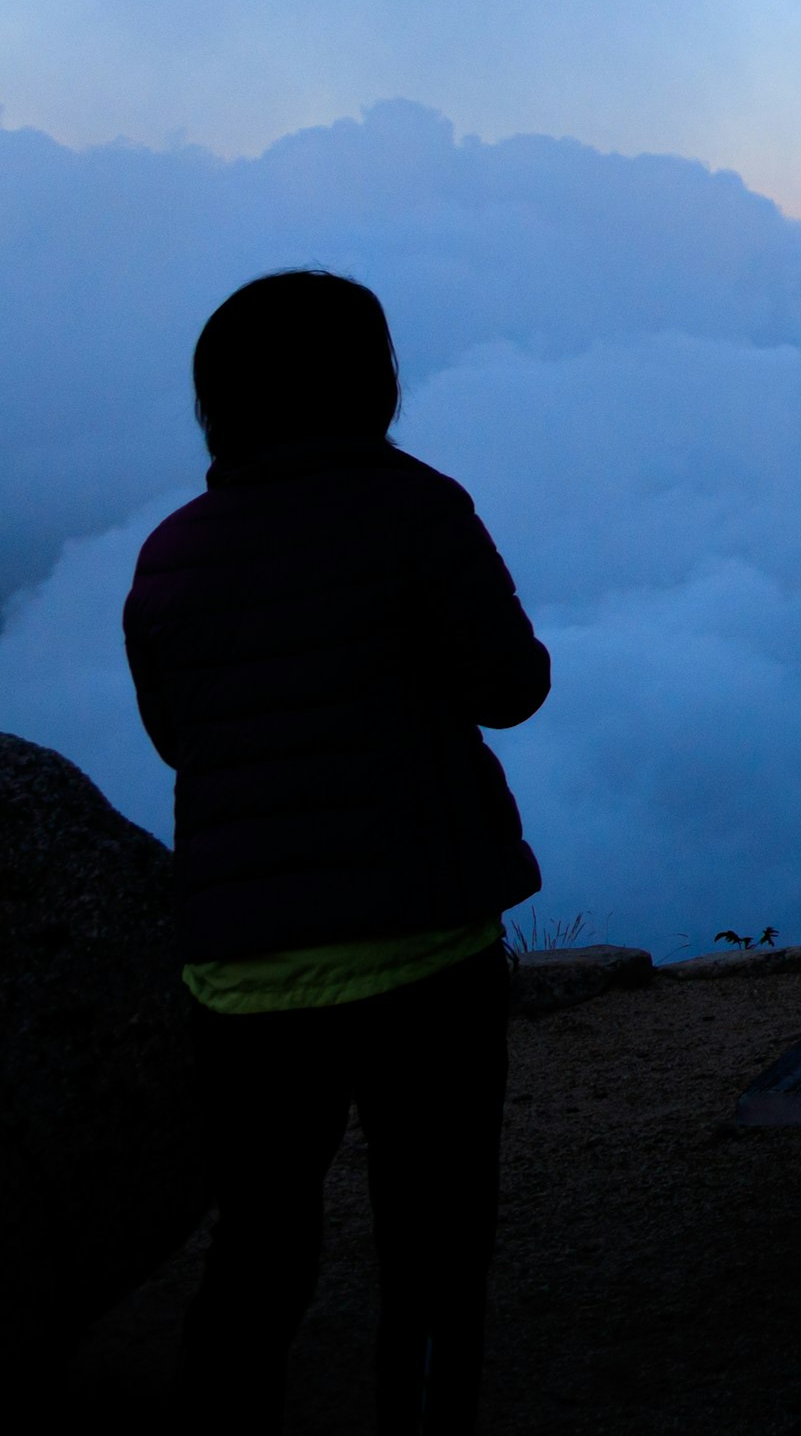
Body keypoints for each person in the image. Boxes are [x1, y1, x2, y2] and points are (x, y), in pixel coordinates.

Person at [124, 271, 552, 1434]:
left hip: (241, 969)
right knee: (434, 1236)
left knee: (260, 1240)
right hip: (423, 941)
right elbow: (512, 688)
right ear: (375, 383)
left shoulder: (169, 552)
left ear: (218, 400)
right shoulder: (417, 509)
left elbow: (179, 738)